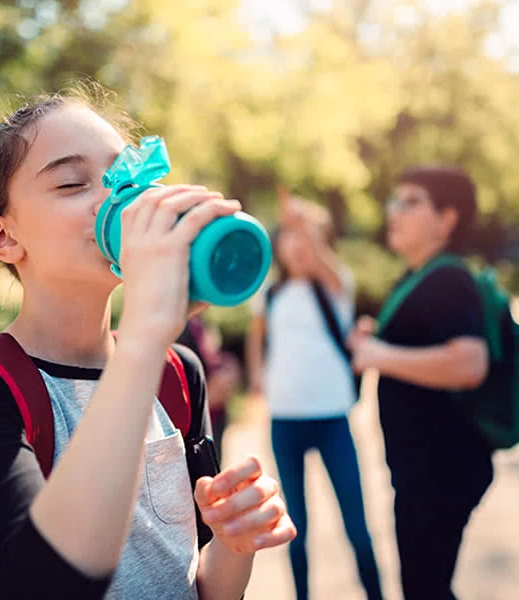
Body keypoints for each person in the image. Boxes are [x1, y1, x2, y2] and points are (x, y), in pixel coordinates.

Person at [0, 88, 296, 600]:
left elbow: (201, 585)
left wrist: (235, 544)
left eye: (127, 177)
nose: (119, 201)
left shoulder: (176, 372)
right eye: (73, 182)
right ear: (3, 236)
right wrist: (145, 335)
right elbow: (48, 585)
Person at [347, 166, 491, 600]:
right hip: (420, 471)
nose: (395, 211)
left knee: (425, 589)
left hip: (440, 473)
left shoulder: (449, 278)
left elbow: (470, 363)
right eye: (396, 200)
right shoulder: (418, 277)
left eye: (411, 201)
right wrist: (378, 340)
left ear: (447, 219)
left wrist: (378, 355)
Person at [246, 188, 383, 600]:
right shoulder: (269, 294)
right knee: (296, 530)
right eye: (290, 236)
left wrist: (302, 222)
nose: (299, 244)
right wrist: (258, 377)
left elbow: (320, 256)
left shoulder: (336, 286)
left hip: (331, 420)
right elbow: (257, 339)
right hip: (285, 421)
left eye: (308, 236)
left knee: (356, 527)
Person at [176, 316, 242, 465]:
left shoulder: (199, 322)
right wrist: (207, 396)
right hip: (195, 427)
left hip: (213, 418)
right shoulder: (180, 326)